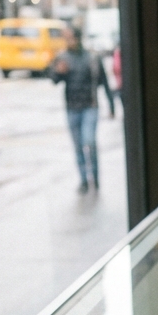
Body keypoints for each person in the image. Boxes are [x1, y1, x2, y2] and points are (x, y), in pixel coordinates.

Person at [51, 26, 114, 193]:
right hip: (72, 107)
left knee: (89, 141)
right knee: (78, 145)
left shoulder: (92, 58)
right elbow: (54, 79)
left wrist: (111, 105)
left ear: (77, 38)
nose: (67, 42)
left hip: (89, 106)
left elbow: (104, 82)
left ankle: (95, 176)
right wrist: (58, 72)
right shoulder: (63, 58)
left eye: (70, 38)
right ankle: (84, 180)